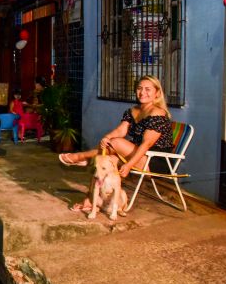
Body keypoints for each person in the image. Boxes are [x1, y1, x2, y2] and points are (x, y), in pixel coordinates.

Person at [60, 75, 173, 213]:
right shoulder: (133, 111)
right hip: (138, 155)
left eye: (148, 89)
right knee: (105, 162)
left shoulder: (158, 114)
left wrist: (128, 165)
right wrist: (107, 137)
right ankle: (90, 199)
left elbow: (146, 144)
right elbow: (121, 130)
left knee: (117, 143)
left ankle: (82, 157)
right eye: (139, 88)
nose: (142, 92)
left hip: (155, 161)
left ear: (157, 93)